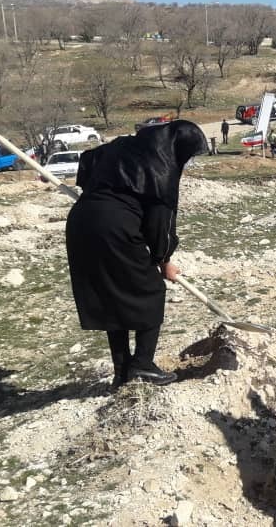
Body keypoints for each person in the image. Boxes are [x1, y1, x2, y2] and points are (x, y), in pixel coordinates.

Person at [65, 120, 207, 388]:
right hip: (114, 227)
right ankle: (142, 364)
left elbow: (87, 161)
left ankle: (122, 372)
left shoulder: (124, 146)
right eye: (188, 156)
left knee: (111, 296)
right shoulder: (162, 167)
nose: (186, 162)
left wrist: (100, 193)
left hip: (81, 222)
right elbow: (160, 225)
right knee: (151, 291)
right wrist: (164, 260)